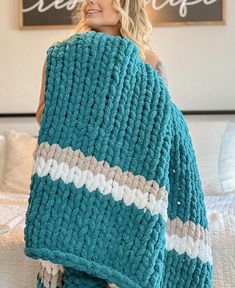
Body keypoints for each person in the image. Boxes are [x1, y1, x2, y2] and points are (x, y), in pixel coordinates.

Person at [36, 0, 168, 126]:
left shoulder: (149, 61)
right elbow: (43, 118)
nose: (89, 1)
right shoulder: (61, 57)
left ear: (125, 3)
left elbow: (159, 122)